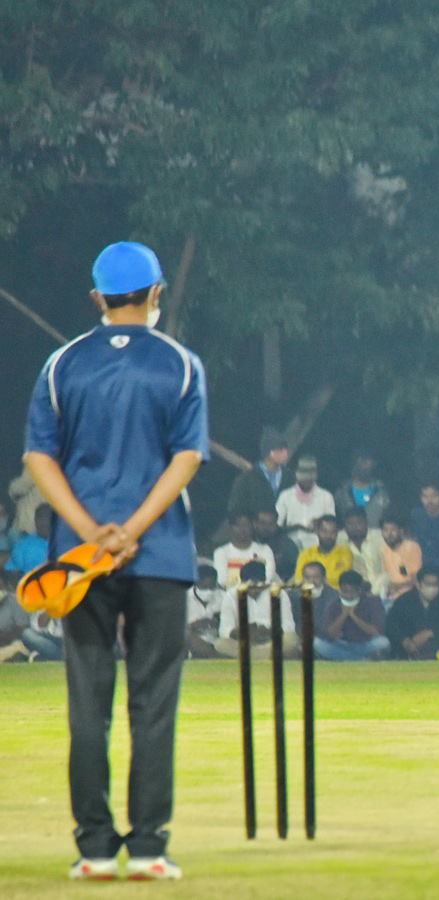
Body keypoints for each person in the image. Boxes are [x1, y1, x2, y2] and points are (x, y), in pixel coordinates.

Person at [23, 240, 208, 880]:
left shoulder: (62, 364)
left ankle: (96, 850)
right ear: (157, 293)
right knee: (154, 703)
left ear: (98, 298)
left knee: (88, 703)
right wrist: (131, 531)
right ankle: (150, 848)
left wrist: (92, 533)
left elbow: (38, 458)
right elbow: (187, 458)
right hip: (159, 552)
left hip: (78, 561)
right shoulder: (181, 363)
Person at [213, 560, 297, 660]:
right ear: (242, 582)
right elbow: (224, 630)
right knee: (220, 644)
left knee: (292, 639)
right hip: (243, 642)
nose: (254, 590)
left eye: (257, 586)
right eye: (249, 586)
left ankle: (253, 656)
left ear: (265, 581)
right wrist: (246, 632)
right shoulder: (231, 595)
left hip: (271, 640)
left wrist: (267, 631)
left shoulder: (279, 593)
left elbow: (289, 626)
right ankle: (264, 656)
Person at [385, 566, 439, 660]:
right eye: (428, 584)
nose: (432, 588)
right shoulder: (404, 601)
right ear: (418, 584)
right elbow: (390, 624)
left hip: (437, 646)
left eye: (435, 584)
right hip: (405, 647)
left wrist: (430, 633)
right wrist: (405, 641)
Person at [312, 570, 389, 661]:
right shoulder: (334, 604)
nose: (349, 596)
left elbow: (376, 632)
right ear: (340, 590)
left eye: (353, 592)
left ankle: (345, 658)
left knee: (383, 642)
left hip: (366, 643)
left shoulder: (372, 602)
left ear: (360, 589)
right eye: (345, 592)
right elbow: (328, 635)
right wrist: (344, 615)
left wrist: (354, 616)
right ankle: (361, 660)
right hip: (341, 644)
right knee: (317, 643)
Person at [227, 427, 289, 520]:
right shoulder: (245, 481)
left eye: (285, 449)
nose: (285, 452)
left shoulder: (291, 478)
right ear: (269, 452)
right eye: (280, 449)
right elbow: (236, 514)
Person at [275, 455, 335, 549]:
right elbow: (277, 525)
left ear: (315, 475)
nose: (306, 479)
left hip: (318, 547)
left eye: (310, 474)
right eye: (303, 474)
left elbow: (331, 525)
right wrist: (295, 527)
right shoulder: (285, 496)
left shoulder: (326, 497)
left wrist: (319, 523)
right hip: (291, 546)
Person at [211, 511, 276, 588]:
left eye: (246, 524)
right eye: (238, 525)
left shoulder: (265, 550)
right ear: (231, 527)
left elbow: (269, 577)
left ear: (253, 526)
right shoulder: (221, 552)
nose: (242, 529)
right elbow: (222, 581)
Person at [294, 515, 353, 589]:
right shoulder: (306, 554)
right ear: (317, 532)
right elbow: (299, 580)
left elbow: (343, 580)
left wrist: (315, 579)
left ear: (337, 533)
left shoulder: (345, 553)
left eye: (332, 532)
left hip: (337, 597)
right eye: (324, 531)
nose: (328, 535)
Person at [334, 451, 390, 529]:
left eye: (366, 461)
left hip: (376, 538)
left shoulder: (382, 492)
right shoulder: (342, 492)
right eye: (361, 461)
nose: (364, 466)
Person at [377, 512, 422, 605]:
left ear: (401, 531)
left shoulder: (411, 547)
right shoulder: (384, 549)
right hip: (390, 597)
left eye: (393, 529)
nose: (389, 534)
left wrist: (396, 587)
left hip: (410, 596)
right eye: (385, 530)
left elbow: (417, 580)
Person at [338, 506, 385, 589]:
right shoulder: (339, 539)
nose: (354, 527)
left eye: (359, 523)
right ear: (344, 526)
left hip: (382, 585)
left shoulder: (380, 537)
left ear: (366, 523)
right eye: (350, 524)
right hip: (354, 589)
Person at [252, 508, 298, 590]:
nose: (266, 527)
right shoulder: (247, 541)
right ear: (255, 523)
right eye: (263, 523)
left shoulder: (287, 544)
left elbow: (293, 571)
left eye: (271, 523)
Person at [185, 564, 224, 659]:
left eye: (212, 586)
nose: (209, 590)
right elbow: (175, 627)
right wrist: (192, 626)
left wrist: (219, 623)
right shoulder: (184, 598)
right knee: (187, 636)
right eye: (205, 586)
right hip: (192, 641)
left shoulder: (224, 597)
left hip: (217, 641)